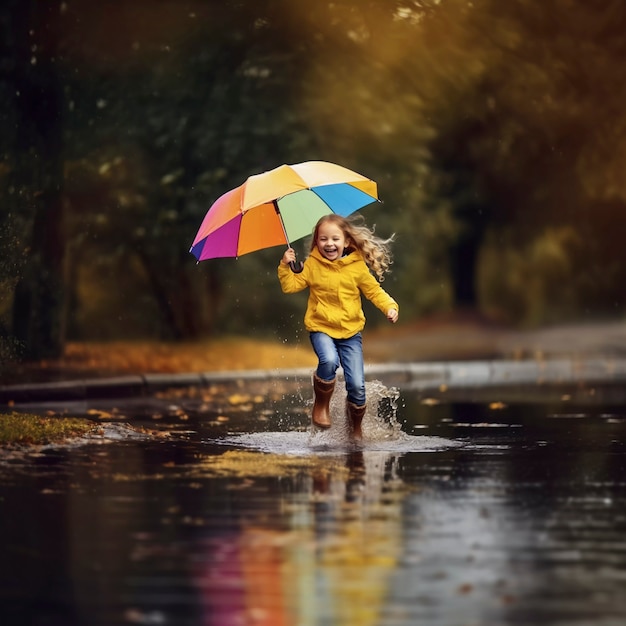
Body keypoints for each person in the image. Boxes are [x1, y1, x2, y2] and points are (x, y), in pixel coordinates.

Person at [277, 214, 399, 440]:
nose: (329, 244)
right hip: (320, 327)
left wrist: (389, 307)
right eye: (323, 239)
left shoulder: (357, 268)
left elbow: (374, 291)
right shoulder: (312, 265)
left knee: (357, 387)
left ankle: (356, 429)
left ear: (347, 242)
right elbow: (291, 287)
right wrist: (286, 267)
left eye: (335, 239)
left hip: (351, 333)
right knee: (329, 361)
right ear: (316, 242)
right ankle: (320, 406)